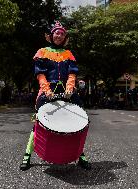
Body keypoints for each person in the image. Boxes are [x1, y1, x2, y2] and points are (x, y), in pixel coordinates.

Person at [20, 21, 90, 171]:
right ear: (51, 36)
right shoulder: (42, 51)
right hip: (48, 90)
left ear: (65, 37)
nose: (59, 35)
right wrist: (46, 90)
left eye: (62, 33)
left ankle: (81, 156)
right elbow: (40, 74)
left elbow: (72, 74)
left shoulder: (69, 54)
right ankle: (27, 155)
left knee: (78, 121)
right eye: (57, 33)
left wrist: (70, 88)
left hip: (67, 90)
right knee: (39, 122)